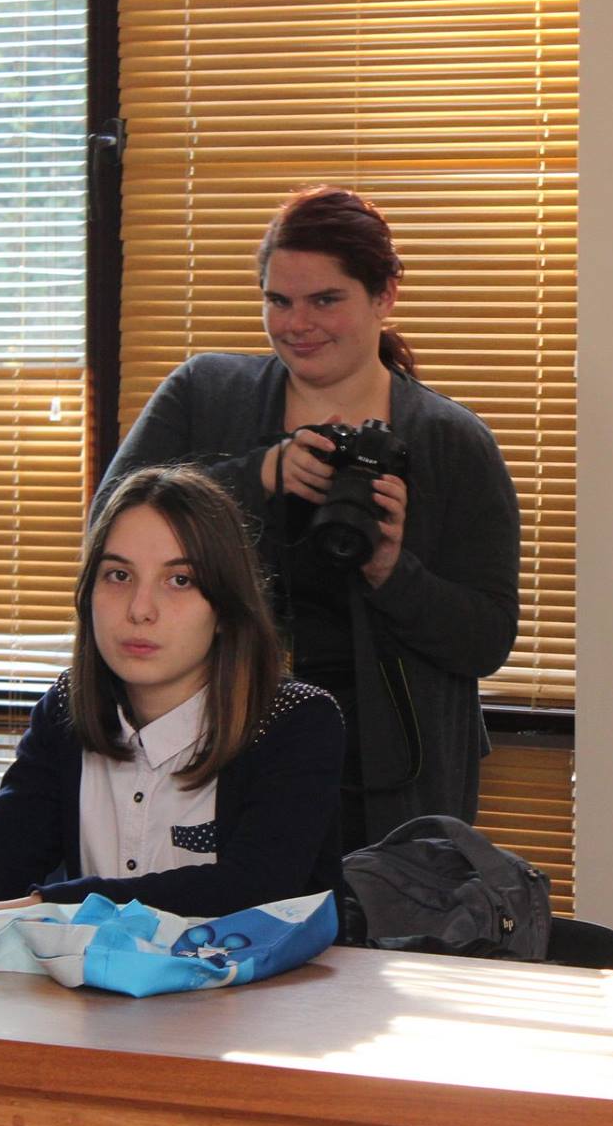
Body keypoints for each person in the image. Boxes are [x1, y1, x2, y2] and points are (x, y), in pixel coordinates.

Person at [96, 186, 520, 845]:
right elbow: (108, 532)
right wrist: (258, 475)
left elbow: (485, 640)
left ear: (384, 295)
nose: (297, 324)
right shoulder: (205, 396)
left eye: (325, 300)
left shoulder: (451, 442)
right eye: (278, 301)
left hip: (387, 780)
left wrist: (390, 571)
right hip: (208, 754)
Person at [0, 465, 343, 955]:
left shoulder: (296, 720)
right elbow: (6, 840)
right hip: (93, 993)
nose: (140, 609)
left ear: (226, 607)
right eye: (118, 576)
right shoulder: (67, 706)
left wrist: (42, 906)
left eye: (179, 580)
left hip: (269, 997)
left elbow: (252, 890)